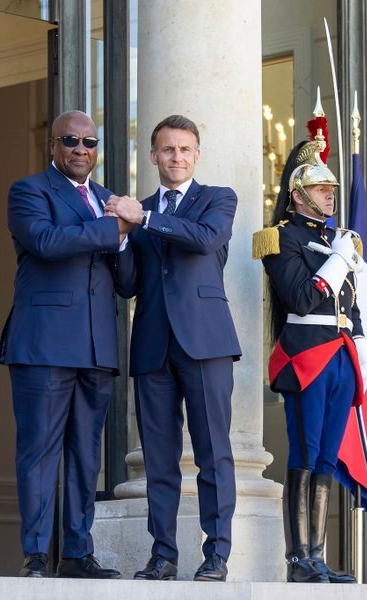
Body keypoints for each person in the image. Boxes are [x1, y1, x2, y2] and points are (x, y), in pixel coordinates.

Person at [0, 110, 133, 579]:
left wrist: (128, 237)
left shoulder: (106, 200)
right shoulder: (29, 191)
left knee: (85, 456)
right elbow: (47, 242)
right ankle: (35, 554)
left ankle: (76, 554)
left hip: (97, 347)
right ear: (53, 144)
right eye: (71, 140)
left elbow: (127, 282)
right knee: (39, 452)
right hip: (46, 344)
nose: (81, 149)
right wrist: (116, 228)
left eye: (90, 142)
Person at [105, 115, 241, 582]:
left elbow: (205, 239)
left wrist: (144, 219)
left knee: (213, 454)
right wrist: (120, 239)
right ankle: (163, 555)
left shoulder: (217, 199)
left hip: (206, 343)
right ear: (153, 156)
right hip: (152, 345)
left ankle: (217, 555)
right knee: (159, 461)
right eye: (167, 150)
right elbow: (127, 287)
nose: (176, 157)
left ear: (196, 155)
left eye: (184, 149)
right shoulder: (137, 213)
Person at [252, 139, 367, 584]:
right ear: (298, 194)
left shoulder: (334, 239)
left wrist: (363, 347)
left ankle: (316, 556)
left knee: (326, 456)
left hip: (341, 356)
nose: (330, 194)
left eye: (332, 188)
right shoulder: (280, 238)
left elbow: (349, 305)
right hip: (307, 356)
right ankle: (298, 559)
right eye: (321, 189)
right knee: (305, 451)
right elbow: (301, 297)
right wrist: (338, 260)